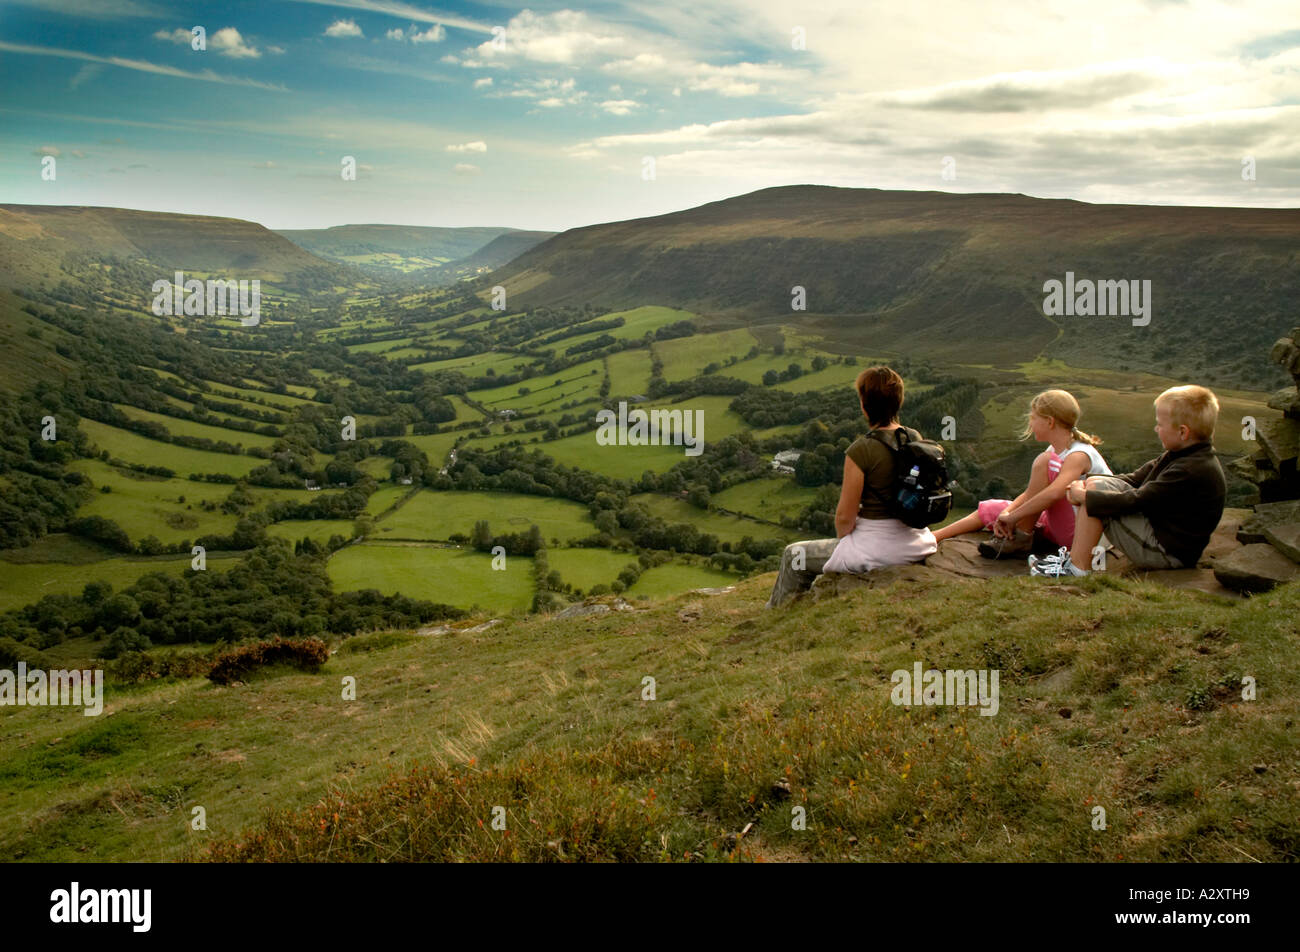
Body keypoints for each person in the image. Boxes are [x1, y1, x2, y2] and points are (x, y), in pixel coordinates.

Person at [766, 366, 937, 608]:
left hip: (877, 549)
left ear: (864, 404)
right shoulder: (914, 438)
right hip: (917, 541)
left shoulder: (860, 450)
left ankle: (775, 615)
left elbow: (845, 518)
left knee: (794, 554)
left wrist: (846, 550)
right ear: (898, 401)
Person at [1030, 385, 1226, 578]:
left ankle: (1078, 567)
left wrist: (1086, 496)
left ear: (1183, 432)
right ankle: (1075, 561)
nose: (1156, 429)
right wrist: (1086, 482)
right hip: (1159, 534)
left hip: (1166, 553)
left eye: (1160, 424)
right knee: (1096, 485)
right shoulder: (1180, 455)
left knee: (1095, 500)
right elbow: (1134, 479)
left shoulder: (1190, 469)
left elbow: (1138, 500)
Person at [932, 390, 1110, 558]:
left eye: (1033, 418)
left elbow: (1054, 493)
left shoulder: (1078, 455)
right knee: (995, 508)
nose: (1030, 424)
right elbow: (1032, 494)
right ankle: (935, 536)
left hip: (1084, 535)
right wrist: (1008, 513)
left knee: (1044, 461)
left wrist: (1015, 517)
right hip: (1063, 525)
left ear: (1050, 422)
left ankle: (1022, 537)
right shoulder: (1057, 449)